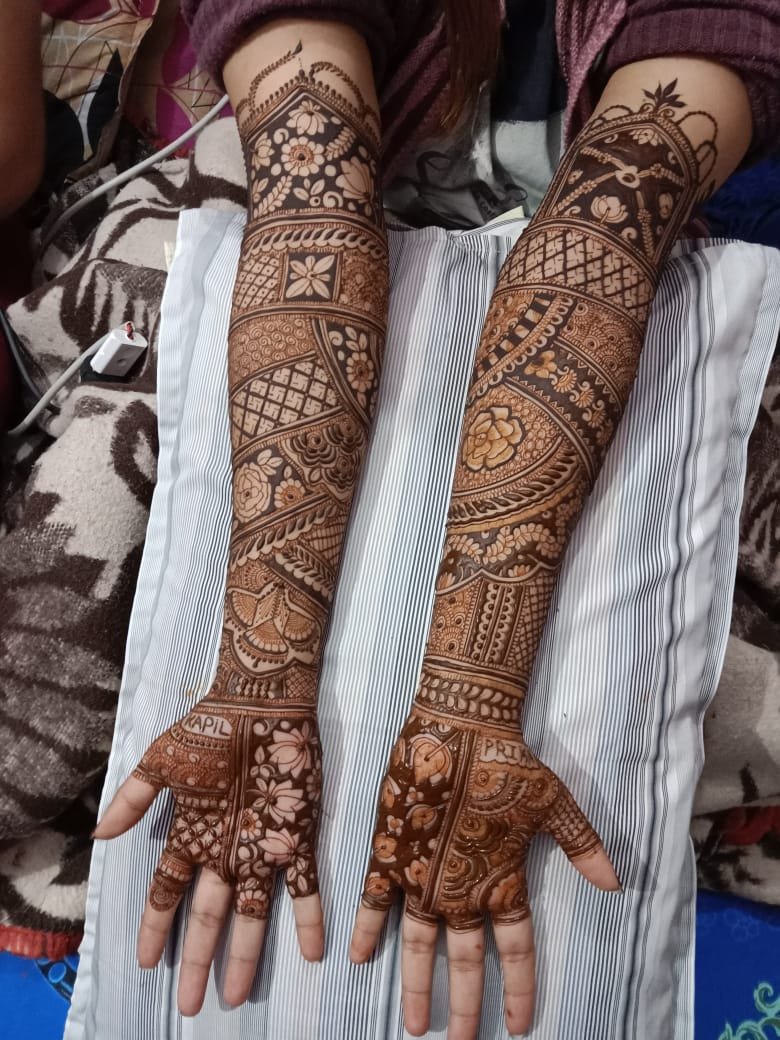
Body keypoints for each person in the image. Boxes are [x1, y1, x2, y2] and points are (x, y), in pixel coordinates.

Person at [93, 3, 779, 1038]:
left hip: (633, 298)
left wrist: (466, 696)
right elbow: (315, 192)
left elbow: (606, 224)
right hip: (361, 263)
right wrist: (264, 675)